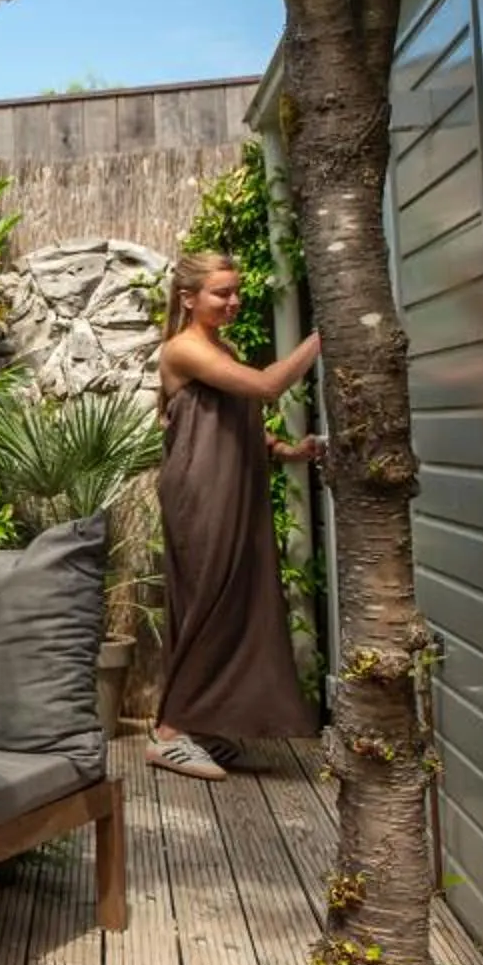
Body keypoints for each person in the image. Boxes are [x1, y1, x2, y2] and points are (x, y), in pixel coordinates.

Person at [150, 251, 324, 781]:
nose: (233, 300)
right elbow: (267, 387)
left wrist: (285, 451)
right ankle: (170, 733)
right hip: (201, 494)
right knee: (208, 602)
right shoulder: (183, 349)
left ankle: (203, 723)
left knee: (237, 604)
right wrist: (322, 337)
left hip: (233, 487)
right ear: (188, 298)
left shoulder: (219, 347)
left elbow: (231, 419)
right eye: (220, 292)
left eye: (235, 290)